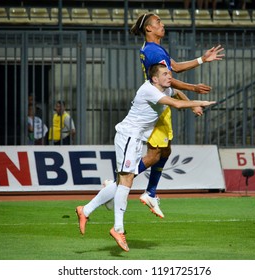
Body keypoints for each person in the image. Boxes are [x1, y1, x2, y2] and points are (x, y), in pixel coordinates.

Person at [75, 63, 216, 251]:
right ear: (155, 79)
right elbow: (175, 103)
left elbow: (177, 95)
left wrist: (191, 104)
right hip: (128, 137)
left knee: (123, 182)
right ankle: (118, 228)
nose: (169, 76)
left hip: (134, 139)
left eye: (169, 73)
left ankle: (86, 210)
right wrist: (199, 103)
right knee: (126, 182)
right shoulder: (149, 90)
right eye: (165, 74)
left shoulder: (163, 87)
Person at [129, 13, 224, 218]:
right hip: (158, 108)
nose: (162, 25)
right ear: (149, 29)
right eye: (158, 23)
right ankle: (121, 181)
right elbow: (169, 80)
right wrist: (193, 88)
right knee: (154, 155)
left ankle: (150, 192)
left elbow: (176, 67)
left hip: (162, 105)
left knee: (165, 152)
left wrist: (202, 59)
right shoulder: (154, 51)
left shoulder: (153, 49)